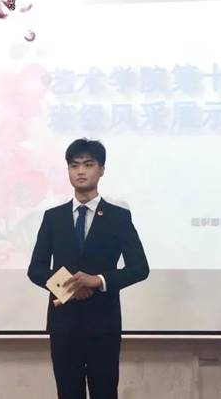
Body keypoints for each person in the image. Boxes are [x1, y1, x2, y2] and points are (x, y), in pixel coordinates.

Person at [28, 138, 149, 399]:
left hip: (103, 325)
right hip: (64, 325)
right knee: (67, 393)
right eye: (74, 166)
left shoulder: (118, 217)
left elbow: (140, 268)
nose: (80, 171)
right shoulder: (53, 217)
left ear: (101, 169)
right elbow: (36, 269)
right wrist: (70, 287)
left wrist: (98, 280)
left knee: (104, 392)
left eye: (88, 164)